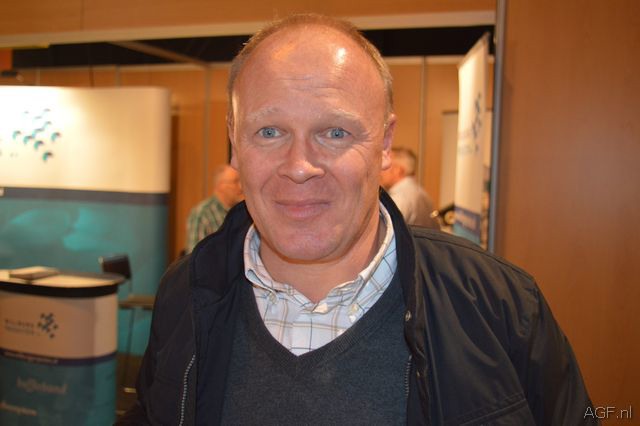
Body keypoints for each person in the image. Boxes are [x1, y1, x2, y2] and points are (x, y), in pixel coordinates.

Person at [119, 14, 595, 425]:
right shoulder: (186, 292)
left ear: (385, 143)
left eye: (334, 132)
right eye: (269, 131)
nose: (299, 166)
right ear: (234, 140)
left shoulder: (498, 304)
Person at [185, 164, 243, 253]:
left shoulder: (242, 212)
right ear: (221, 186)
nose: (241, 187)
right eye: (235, 182)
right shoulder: (202, 213)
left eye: (241, 181)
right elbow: (195, 255)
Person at [380, 147, 439, 228]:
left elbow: (387, 230)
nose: (380, 171)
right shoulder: (421, 193)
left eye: (385, 166)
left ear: (398, 170)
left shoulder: (400, 196)